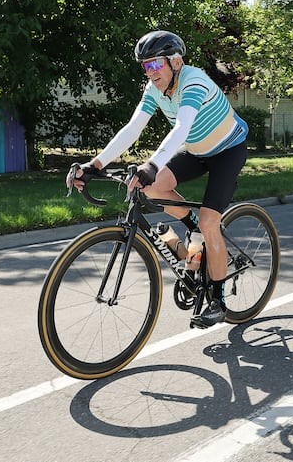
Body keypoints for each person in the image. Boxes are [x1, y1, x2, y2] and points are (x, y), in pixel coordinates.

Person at [69, 30, 248, 328]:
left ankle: (218, 300)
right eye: (145, 66)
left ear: (175, 62)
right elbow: (133, 128)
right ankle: (194, 233)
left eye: (155, 65)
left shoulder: (193, 82)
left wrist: (151, 164)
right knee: (150, 187)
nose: (151, 72)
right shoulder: (154, 89)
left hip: (228, 150)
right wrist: (94, 164)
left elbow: (181, 127)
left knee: (209, 222)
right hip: (197, 150)